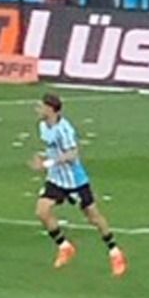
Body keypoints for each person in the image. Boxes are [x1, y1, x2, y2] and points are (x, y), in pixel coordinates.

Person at [29, 93, 127, 278]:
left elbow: (73, 154)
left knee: (94, 218)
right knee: (42, 211)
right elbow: (53, 150)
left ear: (51, 109)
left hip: (75, 181)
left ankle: (115, 252)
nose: (37, 109)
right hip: (56, 180)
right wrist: (44, 159)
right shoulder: (43, 126)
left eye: (41, 106)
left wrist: (47, 163)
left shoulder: (64, 129)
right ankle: (65, 247)